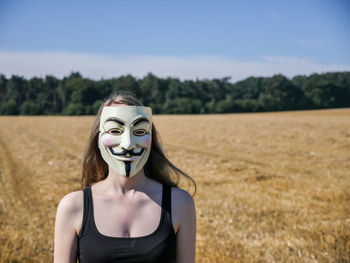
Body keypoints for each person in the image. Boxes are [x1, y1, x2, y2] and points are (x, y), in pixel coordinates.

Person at [54, 92, 196, 263]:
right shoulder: (73, 206)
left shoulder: (180, 204)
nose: (127, 144)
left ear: (150, 138)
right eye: (115, 130)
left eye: (139, 131)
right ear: (98, 139)